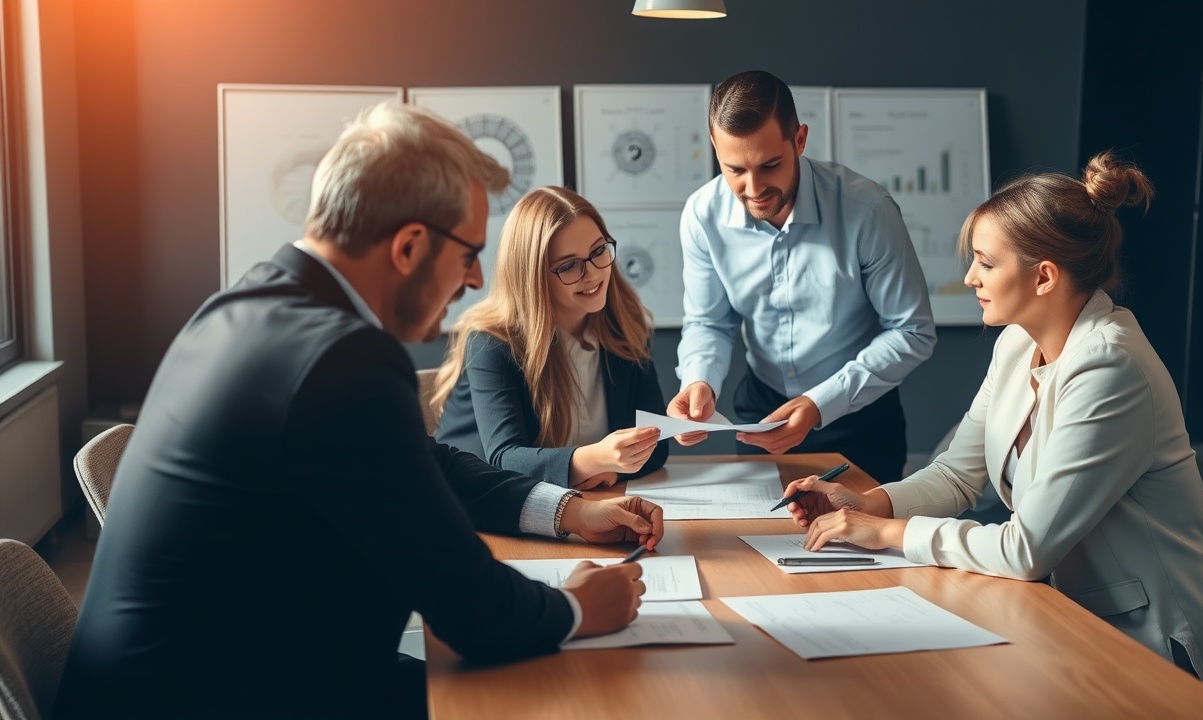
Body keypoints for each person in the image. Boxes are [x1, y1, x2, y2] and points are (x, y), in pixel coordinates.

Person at [55, 102, 665, 720]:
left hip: (215, 673)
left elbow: (428, 468)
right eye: (467, 255)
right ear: (408, 247)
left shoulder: (250, 305)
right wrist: (580, 607)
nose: (477, 280)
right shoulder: (343, 359)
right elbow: (472, 609)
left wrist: (568, 511)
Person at [781, 151, 1203, 688]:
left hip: (1159, 653)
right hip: (1075, 622)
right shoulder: (1017, 344)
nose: (971, 276)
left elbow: (1024, 550)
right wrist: (867, 503)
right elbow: (958, 473)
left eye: (986, 261)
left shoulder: (1109, 367)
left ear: (1044, 276)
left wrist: (885, 531)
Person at [668, 69, 936, 485]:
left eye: (769, 165)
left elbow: (913, 331)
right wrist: (699, 380)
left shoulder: (867, 210)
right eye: (734, 169)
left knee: (861, 548)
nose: (753, 187)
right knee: (763, 546)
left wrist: (821, 403)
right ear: (715, 149)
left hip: (857, 418)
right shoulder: (702, 215)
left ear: (800, 140)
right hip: (760, 414)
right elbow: (709, 322)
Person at [433, 186, 668, 489]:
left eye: (598, 251)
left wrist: (613, 471)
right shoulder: (492, 342)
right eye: (569, 266)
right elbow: (504, 457)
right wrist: (594, 461)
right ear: (532, 277)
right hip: (475, 505)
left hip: (567, 503)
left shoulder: (626, 328)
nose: (594, 273)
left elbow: (657, 444)